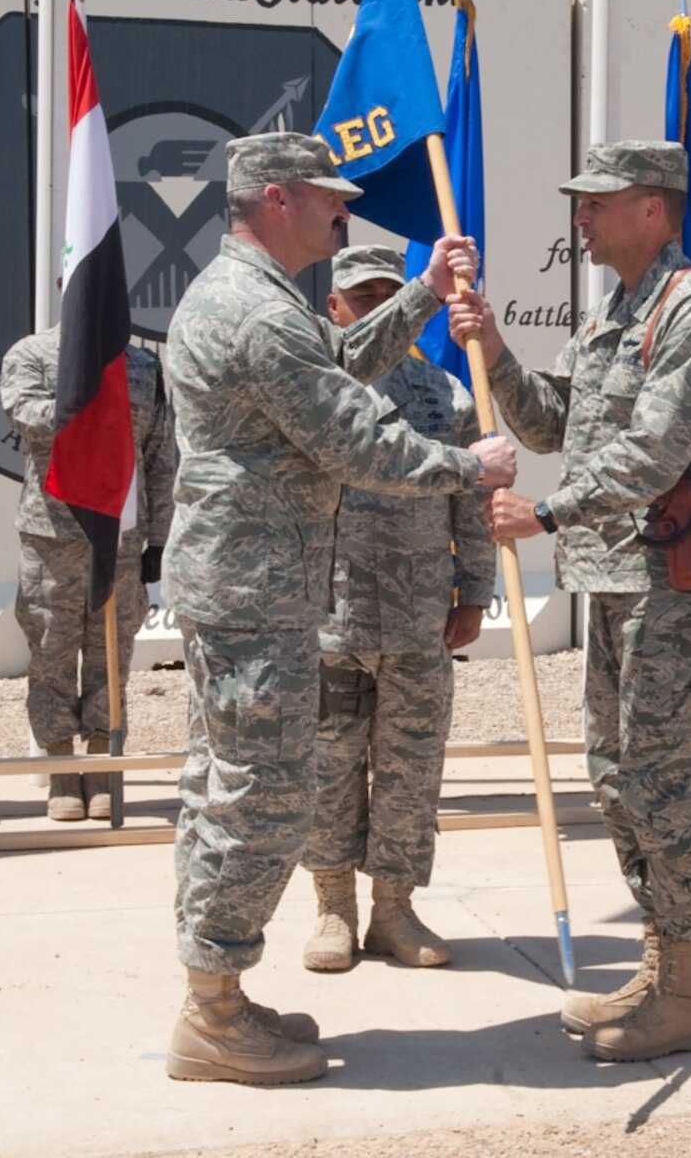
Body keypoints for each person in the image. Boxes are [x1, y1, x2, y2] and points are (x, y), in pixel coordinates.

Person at [161, 132, 517, 1087]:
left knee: (231, 788)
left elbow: (339, 366)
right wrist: (465, 466)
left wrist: (420, 294)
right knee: (260, 799)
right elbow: (355, 435)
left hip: (248, 584)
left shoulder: (255, 298)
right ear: (277, 198)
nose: (342, 210)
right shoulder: (258, 312)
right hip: (255, 590)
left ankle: (218, 994)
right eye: (327, 195)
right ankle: (212, 1011)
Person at [449, 140, 691, 1063]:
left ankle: (688, 990)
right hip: (619, 577)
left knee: (665, 780)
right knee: (619, 778)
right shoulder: (615, 309)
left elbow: (655, 452)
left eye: (598, 202)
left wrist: (547, 510)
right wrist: (492, 346)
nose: (580, 216)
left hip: (677, 580)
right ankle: (661, 966)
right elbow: (552, 422)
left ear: (654, 208)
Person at [298, 245, 497, 974]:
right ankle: (332, 908)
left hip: (418, 617)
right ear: (336, 308)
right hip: (333, 614)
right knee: (329, 765)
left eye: (393, 292)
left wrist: (474, 588)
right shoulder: (316, 393)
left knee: (412, 767)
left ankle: (392, 908)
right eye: (364, 295)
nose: (381, 306)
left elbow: (472, 500)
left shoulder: (448, 394)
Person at [1, 323, 178, 820]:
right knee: (51, 651)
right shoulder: (32, 353)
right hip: (51, 532)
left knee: (111, 653)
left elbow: (161, 454)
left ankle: (101, 769)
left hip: (120, 534)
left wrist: (159, 536)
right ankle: (62, 770)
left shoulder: (144, 367)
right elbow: (24, 417)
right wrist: (83, 395)